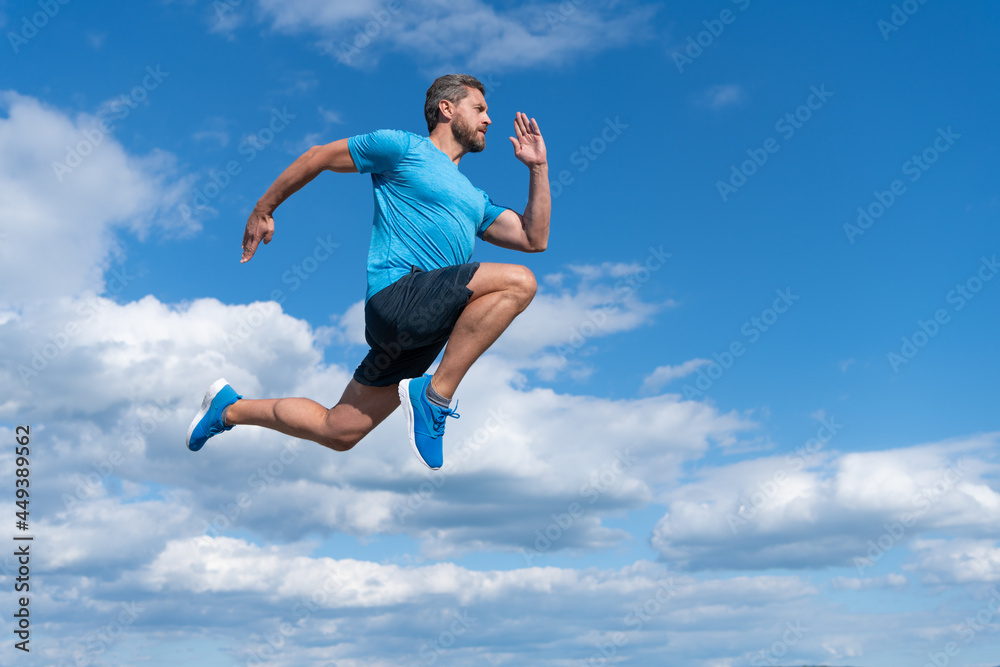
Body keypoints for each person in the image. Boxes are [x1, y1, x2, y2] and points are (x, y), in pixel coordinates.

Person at [185, 74, 550, 470]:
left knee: (339, 430)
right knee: (520, 282)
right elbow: (317, 157)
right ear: (447, 109)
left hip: (422, 332)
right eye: (479, 109)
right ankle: (435, 398)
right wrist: (263, 208)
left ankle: (228, 410)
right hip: (399, 296)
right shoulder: (402, 147)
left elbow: (533, 238)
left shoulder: (475, 199)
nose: (489, 120)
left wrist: (538, 167)